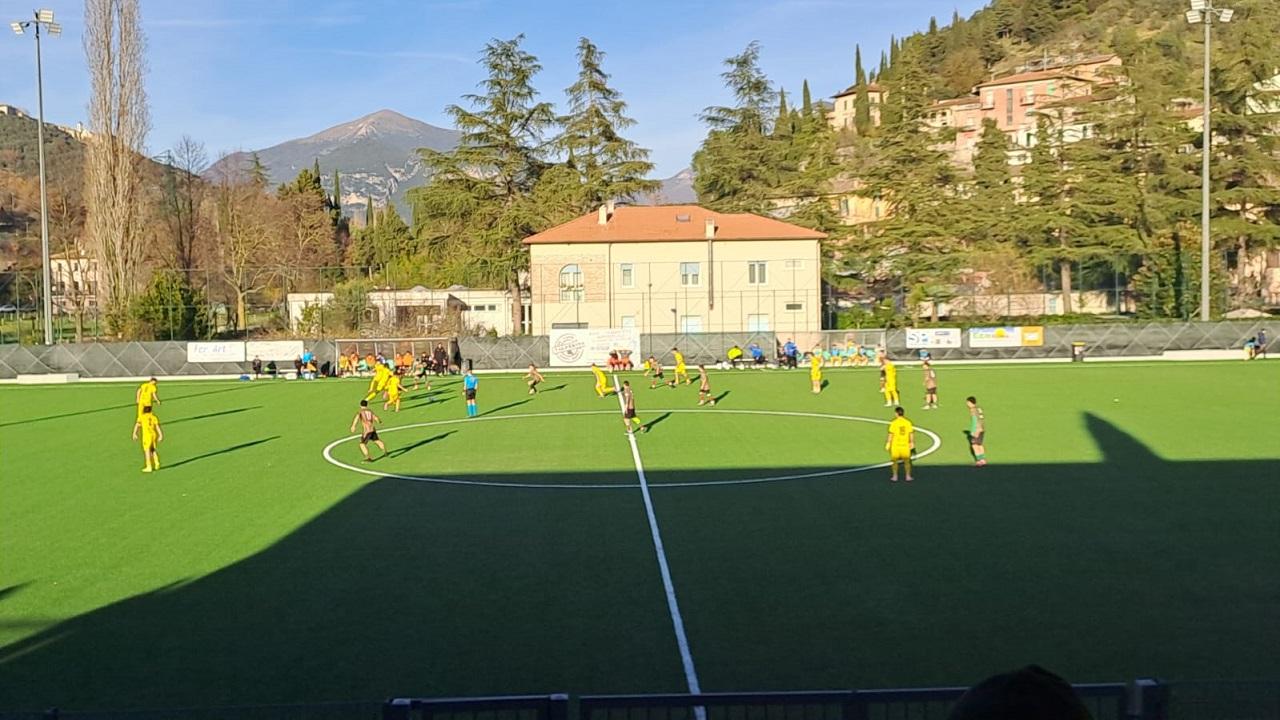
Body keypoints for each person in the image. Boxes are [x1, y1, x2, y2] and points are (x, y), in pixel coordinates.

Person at [885, 406, 915, 483]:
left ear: (896, 413)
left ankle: (895, 476)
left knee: (894, 461)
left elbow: (891, 434)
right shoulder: (908, 422)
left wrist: (888, 443)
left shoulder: (894, 423)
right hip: (905, 445)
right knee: (907, 462)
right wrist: (912, 442)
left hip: (895, 445)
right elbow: (911, 433)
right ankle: (908, 476)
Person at [131, 405, 163, 473]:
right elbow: (157, 426)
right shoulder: (153, 417)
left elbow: (137, 425)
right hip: (153, 434)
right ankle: (157, 462)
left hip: (147, 435)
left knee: (147, 450)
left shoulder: (142, 417)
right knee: (152, 449)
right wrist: (160, 435)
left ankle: (149, 466)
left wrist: (134, 433)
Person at [966, 395, 987, 467]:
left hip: (977, 429)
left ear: (970, 402)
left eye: (967, 403)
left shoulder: (973, 410)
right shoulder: (979, 408)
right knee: (980, 444)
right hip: (982, 428)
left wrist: (973, 431)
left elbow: (974, 421)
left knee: (974, 445)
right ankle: (983, 459)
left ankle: (979, 460)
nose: (967, 404)